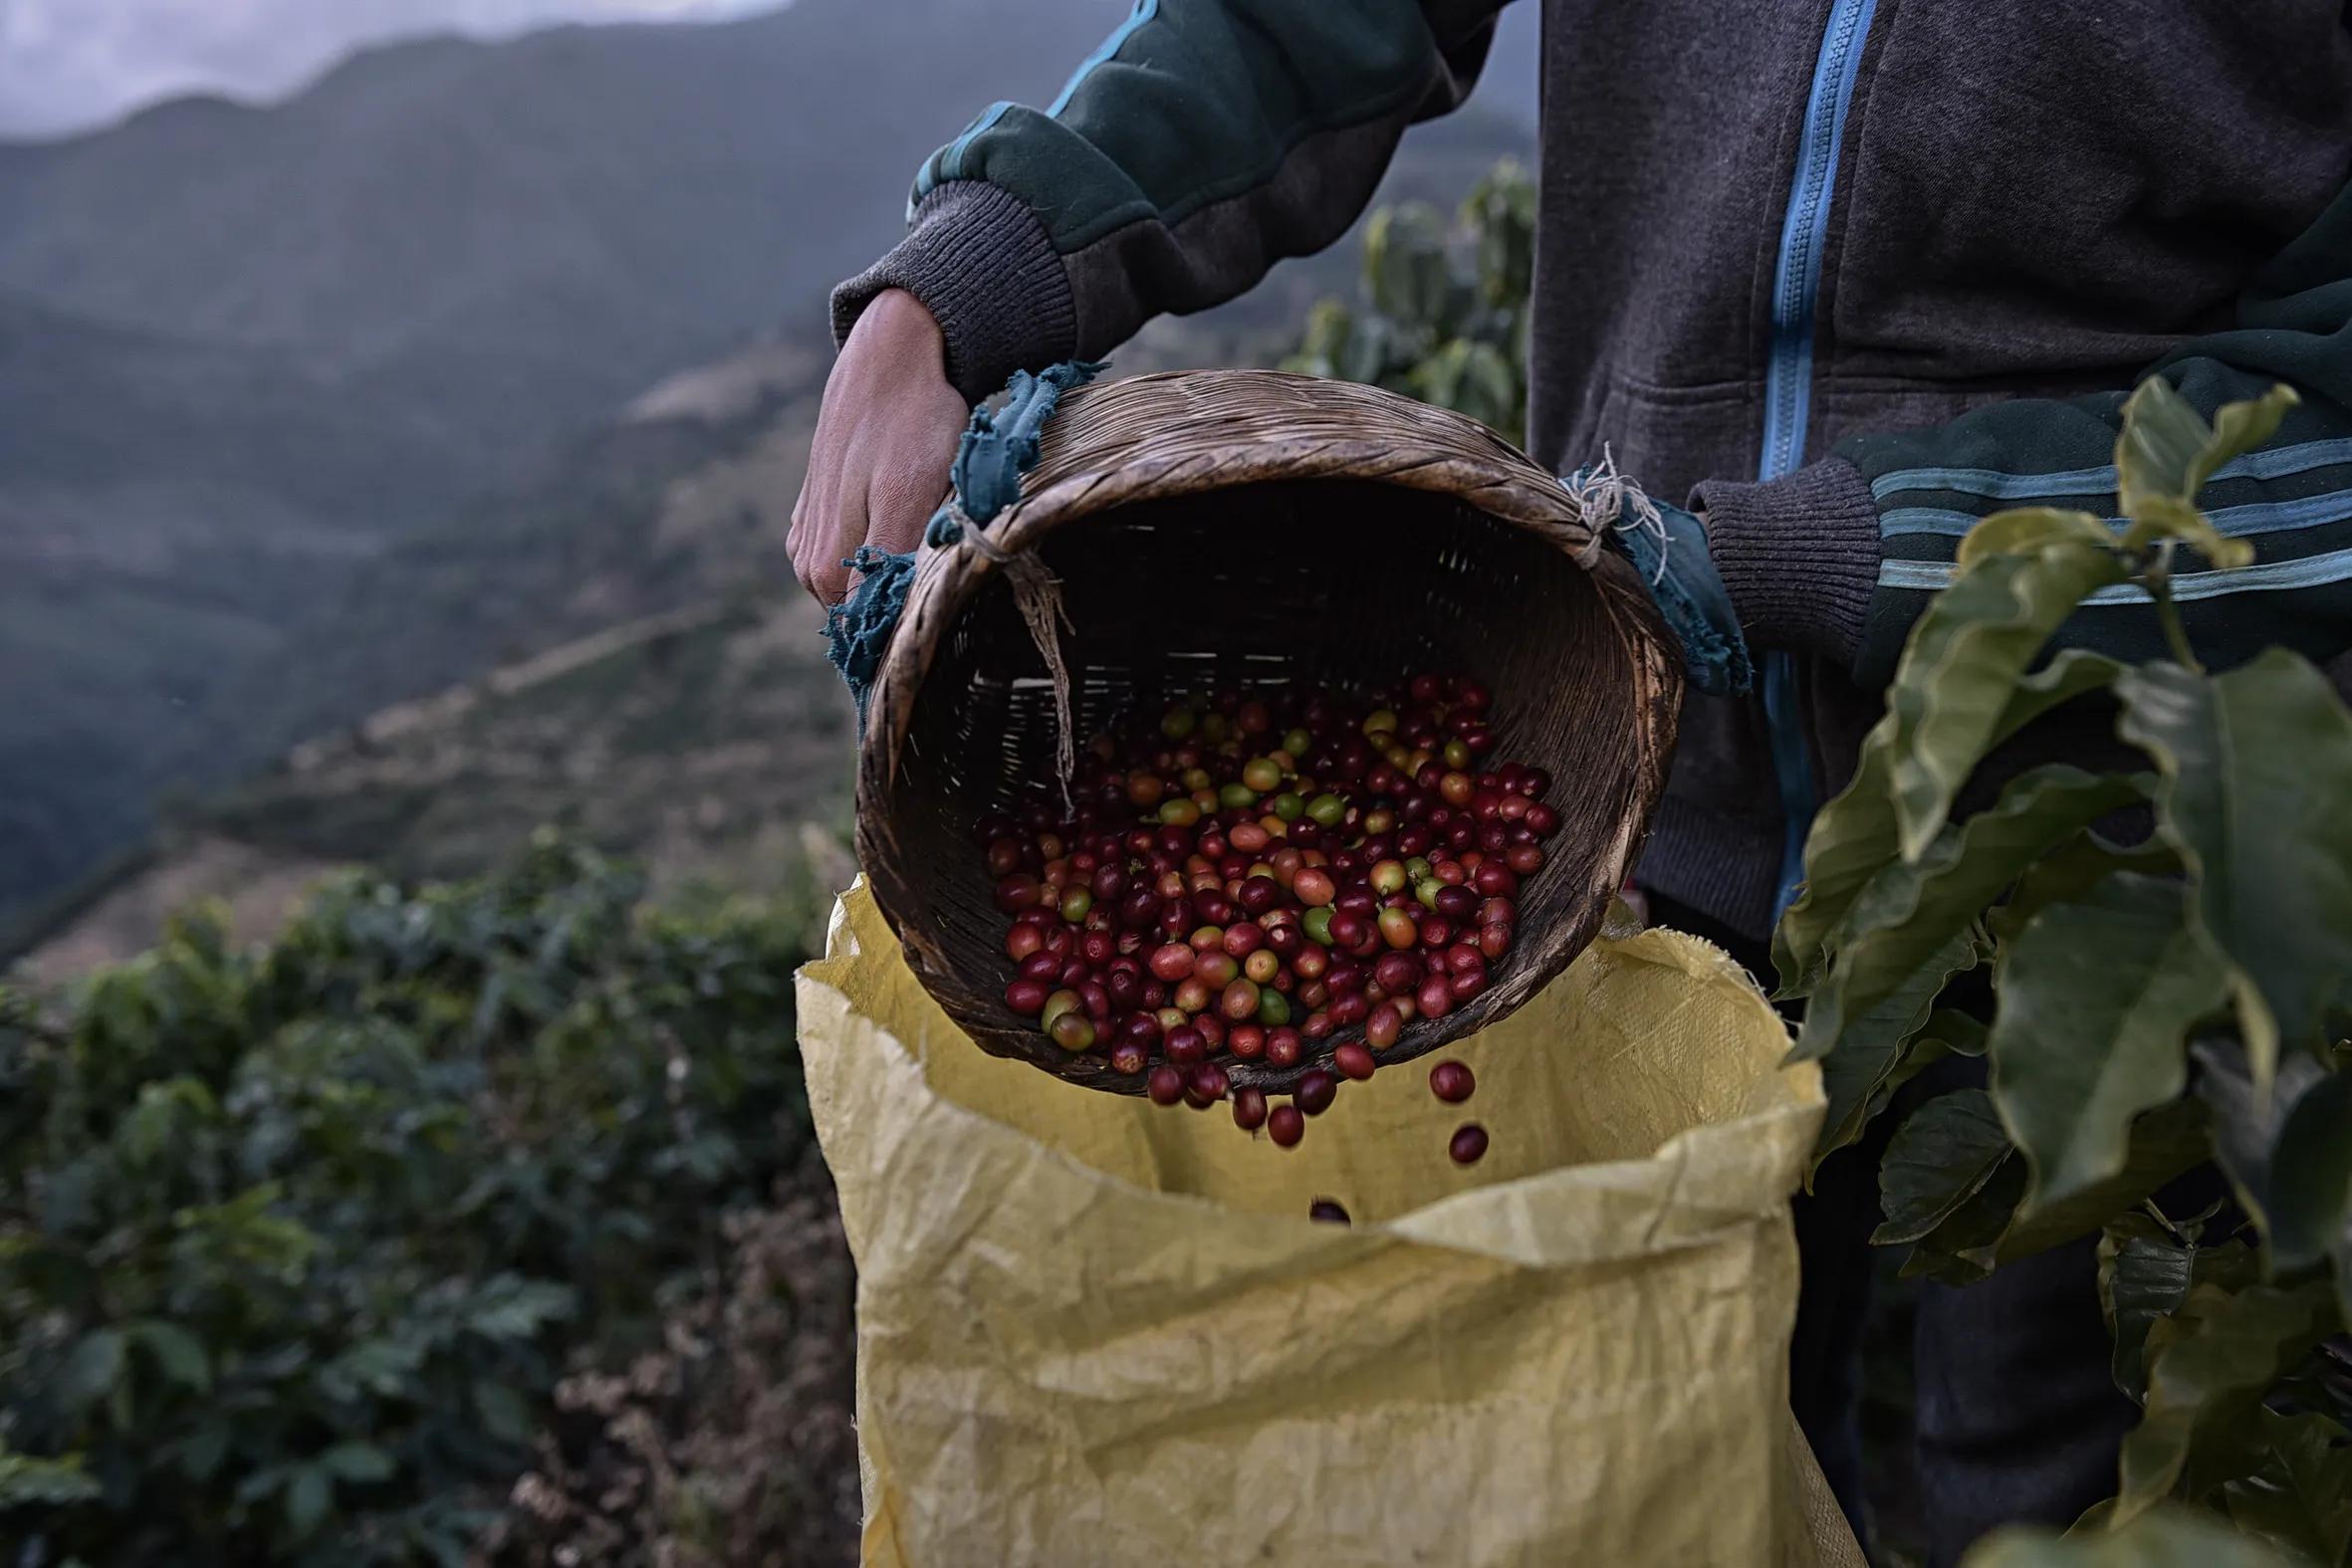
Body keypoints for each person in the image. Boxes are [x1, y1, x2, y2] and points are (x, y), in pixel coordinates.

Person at [790, 3, 2352, 1560]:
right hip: (1634, 810)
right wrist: (979, 266)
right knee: (1657, 1427)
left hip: (2112, 855)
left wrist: (1803, 555)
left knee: (2039, 1468)